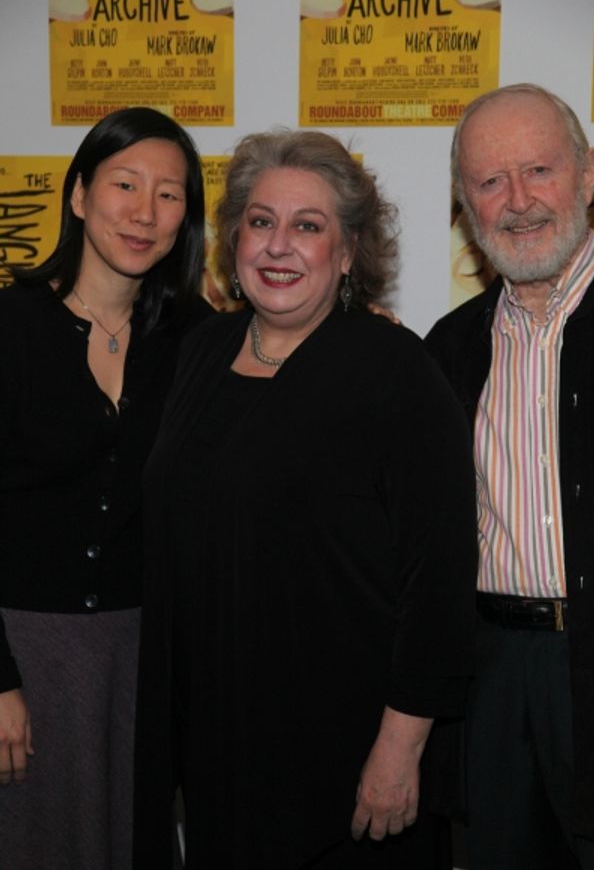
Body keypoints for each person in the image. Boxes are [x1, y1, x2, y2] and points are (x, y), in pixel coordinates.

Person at [134, 129, 478, 869]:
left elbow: (440, 581)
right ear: (234, 238)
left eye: (309, 226)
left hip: (349, 761)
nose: (278, 245)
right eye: (261, 221)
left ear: (348, 252)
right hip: (218, 748)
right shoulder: (201, 352)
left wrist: (399, 750)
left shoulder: (396, 370)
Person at [0, 106, 212, 870]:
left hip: (141, 658)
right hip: (21, 652)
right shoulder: (11, 325)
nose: (145, 212)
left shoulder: (197, 341)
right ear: (80, 194)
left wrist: (360, 325)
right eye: (126, 184)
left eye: (169, 194)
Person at [426, 83, 594, 870]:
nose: (519, 201)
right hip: (492, 677)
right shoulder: (447, 349)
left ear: (588, 175)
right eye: (491, 181)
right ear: (466, 207)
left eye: (539, 170)